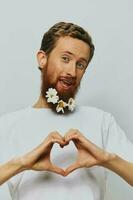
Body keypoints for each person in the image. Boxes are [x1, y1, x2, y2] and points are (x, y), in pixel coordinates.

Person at [0, 21, 133, 200]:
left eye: (80, 64)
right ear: (42, 59)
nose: (72, 71)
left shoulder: (102, 121)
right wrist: (21, 164)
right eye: (65, 58)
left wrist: (107, 160)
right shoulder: (8, 125)